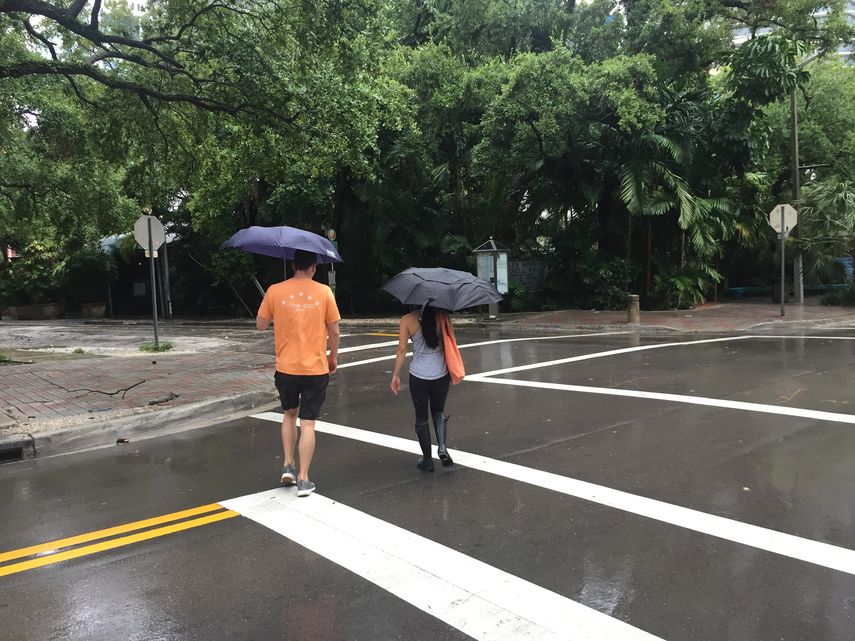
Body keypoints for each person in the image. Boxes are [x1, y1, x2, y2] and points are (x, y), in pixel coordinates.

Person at [257, 249, 341, 497]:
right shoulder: (324, 292)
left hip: (286, 368)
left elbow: (261, 325)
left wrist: (276, 310)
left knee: (288, 415)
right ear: (314, 267)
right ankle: (304, 479)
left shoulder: (274, 290)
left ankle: (288, 465)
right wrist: (332, 357)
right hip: (315, 368)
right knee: (308, 423)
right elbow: (334, 330)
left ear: (294, 265)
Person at [390, 303, 454, 472]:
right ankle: (442, 447)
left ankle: (427, 460)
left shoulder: (406, 320)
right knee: (439, 411)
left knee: (421, 417)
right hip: (441, 373)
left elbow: (402, 349)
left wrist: (395, 374)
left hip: (419, 376)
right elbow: (451, 342)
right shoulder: (442, 316)